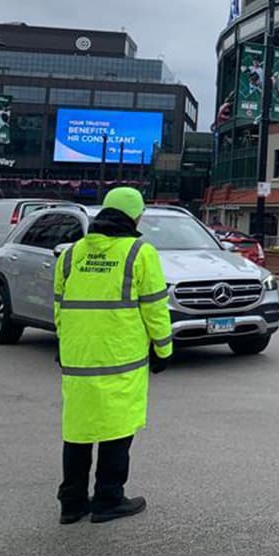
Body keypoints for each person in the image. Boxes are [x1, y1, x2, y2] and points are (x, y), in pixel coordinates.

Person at [53, 187, 172, 524]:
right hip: (121, 358)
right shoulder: (139, 252)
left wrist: (65, 346)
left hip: (78, 358)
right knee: (117, 428)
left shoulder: (72, 254)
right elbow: (155, 308)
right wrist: (163, 349)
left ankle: (72, 502)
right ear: (134, 217)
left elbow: (60, 307)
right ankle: (108, 498)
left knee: (78, 430)